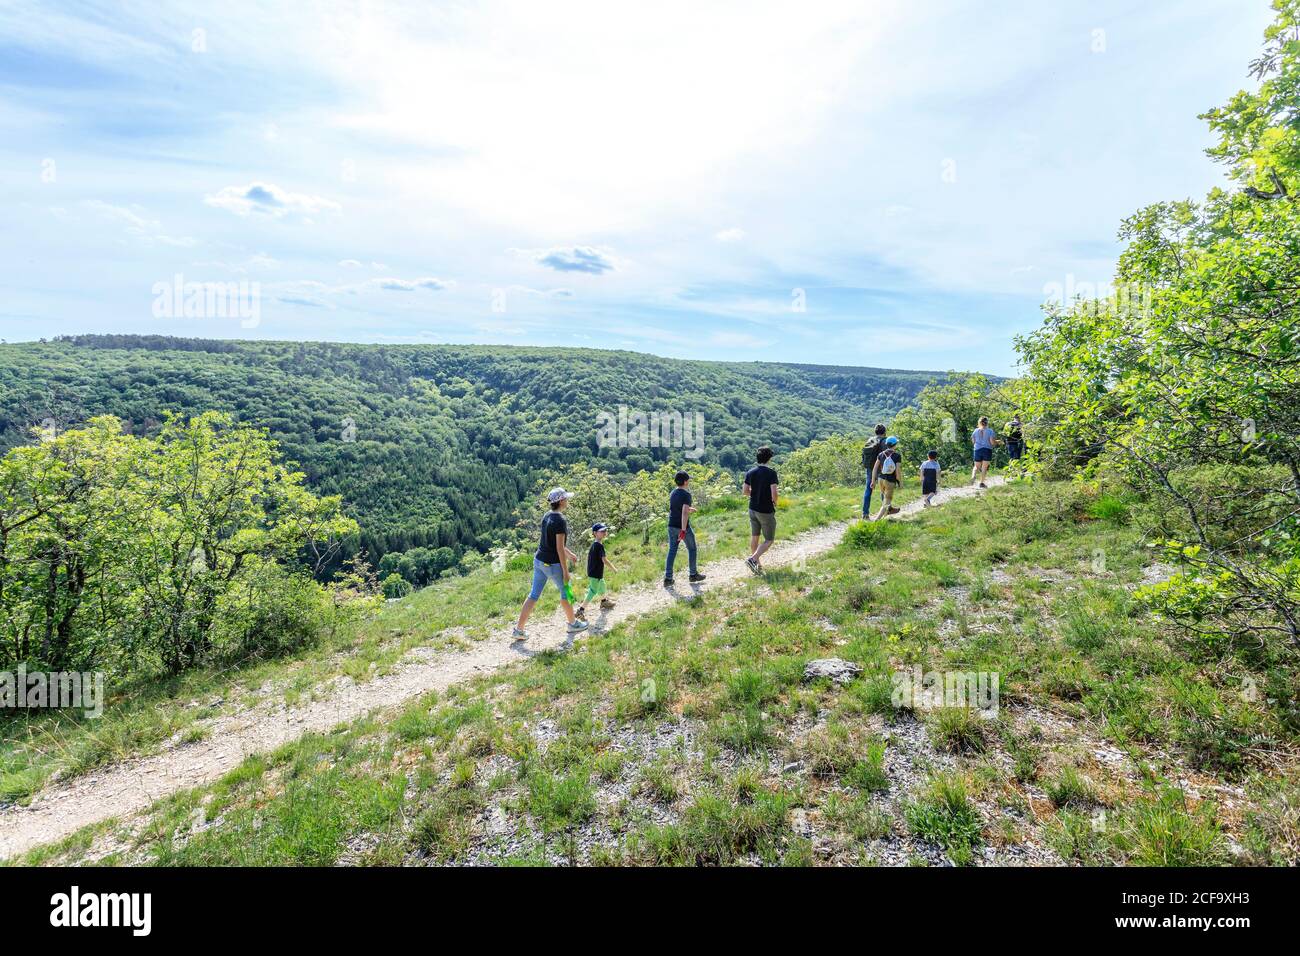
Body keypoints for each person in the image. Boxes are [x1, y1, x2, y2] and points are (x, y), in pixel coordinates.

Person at [512, 488, 588, 641]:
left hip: (539, 561)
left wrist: (570, 553)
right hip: (553, 565)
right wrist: (566, 572)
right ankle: (572, 623)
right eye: (566, 498)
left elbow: (552, 543)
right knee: (566, 591)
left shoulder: (547, 516)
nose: (567, 501)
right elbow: (558, 548)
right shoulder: (560, 520)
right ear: (560, 501)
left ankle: (518, 630)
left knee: (533, 595)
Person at [665, 471, 706, 587]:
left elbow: (677, 508)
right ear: (685, 482)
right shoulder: (686, 495)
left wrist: (689, 509)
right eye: (688, 480)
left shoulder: (673, 492)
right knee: (692, 549)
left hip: (671, 525)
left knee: (672, 551)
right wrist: (683, 530)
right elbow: (683, 512)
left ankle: (668, 578)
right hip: (682, 527)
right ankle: (693, 575)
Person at [743, 446, 779, 574]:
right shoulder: (771, 473)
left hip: (752, 508)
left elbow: (745, 491)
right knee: (769, 539)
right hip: (765, 510)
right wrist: (775, 502)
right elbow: (774, 493)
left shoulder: (750, 472)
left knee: (755, 536)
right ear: (769, 458)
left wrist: (755, 492)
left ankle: (756, 565)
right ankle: (753, 559)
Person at [576, 523, 617, 619]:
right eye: (602, 531)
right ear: (595, 533)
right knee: (593, 591)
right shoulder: (599, 546)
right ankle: (581, 610)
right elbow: (604, 560)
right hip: (595, 573)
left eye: (605, 530)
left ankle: (604, 602)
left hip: (594, 572)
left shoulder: (595, 544)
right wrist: (613, 568)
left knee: (602, 585)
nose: (604, 532)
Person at [871, 436, 903, 521]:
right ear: (894, 445)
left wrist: (873, 481)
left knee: (885, 498)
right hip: (890, 481)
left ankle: (885, 517)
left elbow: (875, 468)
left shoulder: (881, 454)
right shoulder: (897, 456)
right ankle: (876, 521)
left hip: (881, 479)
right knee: (887, 501)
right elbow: (898, 471)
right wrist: (900, 482)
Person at [861, 424, 887, 518]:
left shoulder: (871, 440)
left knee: (868, 489)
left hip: (870, 468)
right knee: (884, 489)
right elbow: (887, 456)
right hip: (881, 469)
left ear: (875, 432)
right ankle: (885, 511)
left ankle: (865, 513)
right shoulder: (884, 441)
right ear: (884, 432)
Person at [971, 416, 999, 488]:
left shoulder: (975, 430)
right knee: (984, 467)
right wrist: (997, 442)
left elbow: (973, 442)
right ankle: (981, 483)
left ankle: (973, 476)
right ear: (987, 423)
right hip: (987, 450)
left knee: (976, 466)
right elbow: (992, 442)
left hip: (977, 450)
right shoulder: (990, 431)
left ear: (979, 423)